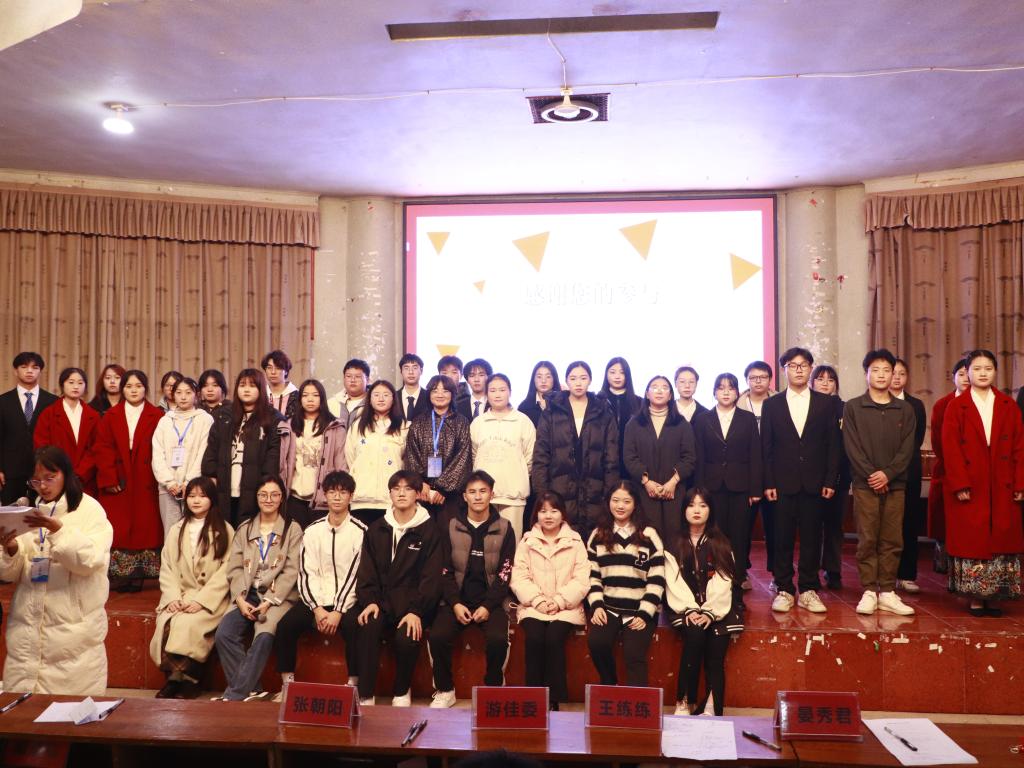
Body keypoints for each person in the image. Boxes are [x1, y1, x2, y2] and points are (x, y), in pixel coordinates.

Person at [0, 446, 113, 695]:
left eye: (50, 478)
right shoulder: (27, 511)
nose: (43, 486)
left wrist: (58, 531)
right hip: (27, 628)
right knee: (25, 713)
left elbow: (90, 561)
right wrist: (10, 549)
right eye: (36, 480)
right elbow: (10, 574)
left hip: (72, 634)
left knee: (68, 712)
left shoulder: (89, 510)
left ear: (66, 474)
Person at [942, 349, 1024, 617]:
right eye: (977, 369)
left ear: (995, 371)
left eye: (988, 368)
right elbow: (951, 448)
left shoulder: (1008, 405)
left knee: (1001, 537)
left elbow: (1019, 447)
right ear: (967, 372)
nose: (983, 373)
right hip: (971, 482)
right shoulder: (957, 406)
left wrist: (1020, 484)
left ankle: (996, 596)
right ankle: (976, 597)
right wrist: (959, 484)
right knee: (973, 539)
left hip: (1002, 482)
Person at [762, 347, 841, 614]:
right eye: (792, 365)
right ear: (784, 370)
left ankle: (808, 589)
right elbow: (766, 447)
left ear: (810, 369)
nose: (798, 370)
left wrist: (830, 480)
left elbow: (833, 445)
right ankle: (784, 588)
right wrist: (768, 482)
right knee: (781, 537)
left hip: (815, 483)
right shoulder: (772, 404)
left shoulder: (826, 403)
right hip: (781, 484)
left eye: (803, 365)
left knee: (811, 538)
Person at [354, 470, 443, 707]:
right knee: (367, 625)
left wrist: (416, 611)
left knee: (407, 636)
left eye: (408, 488)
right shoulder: (377, 528)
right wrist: (370, 601)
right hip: (381, 601)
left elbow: (431, 578)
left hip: (413, 605)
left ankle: (402, 691)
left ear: (418, 494)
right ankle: (365, 694)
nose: (401, 493)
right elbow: (366, 570)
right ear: (390, 494)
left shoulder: (429, 530)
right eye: (396, 488)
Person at [428, 470, 516, 708]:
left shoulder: (505, 527)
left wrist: (488, 606)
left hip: (491, 602)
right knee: (437, 636)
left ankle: (493, 688)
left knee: (498, 639)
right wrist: (455, 603)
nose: (478, 497)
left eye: (483, 491)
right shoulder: (450, 526)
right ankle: (445, 690)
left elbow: (505, 573)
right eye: (472, 492)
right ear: (464, 496)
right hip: (455, 600)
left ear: (492, 494)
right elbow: (443, 570)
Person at [274, 470, 364, 701]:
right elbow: (306, 572)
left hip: (347, 602)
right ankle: (287, 684)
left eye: (343, 492)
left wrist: (338, 611)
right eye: (332, 492)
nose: (337, 497)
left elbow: (356, 575)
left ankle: (353, 685)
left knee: (355, 627)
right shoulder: (312, 531)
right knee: (285, 626)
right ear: (325, 495)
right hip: (316, 601)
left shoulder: (361, 532)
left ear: (351, 496)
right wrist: (316, 608)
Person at [842, 350, 917, 617]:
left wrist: (888, 474)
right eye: (876, 370)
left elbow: (908, 449)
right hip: (865, 485)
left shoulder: (905, 409)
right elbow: (852, 447)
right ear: (866, 374)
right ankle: (869, 591)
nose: (882, 375)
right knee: (868, 538)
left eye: (887, 370)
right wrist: (873, 475)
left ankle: (887, 591)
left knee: (892, 539)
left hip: (895, 485)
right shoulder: (853, 407)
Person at [214, 476, 302, 701]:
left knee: (263, 635)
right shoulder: (245, 529)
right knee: (224, 634)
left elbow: (291, 571)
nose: (268, 499)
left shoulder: (292, 529)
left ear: (282, 498)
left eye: (274, 495)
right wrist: (240, 598)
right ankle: (253, 690)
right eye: (263, 495)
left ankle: (234, 695)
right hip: (247, 594)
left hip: (276, 597)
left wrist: (269, 601)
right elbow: (234, 568)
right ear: (256, 497)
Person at [149, 476, 234, 699]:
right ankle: (173, 679)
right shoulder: (176, 530)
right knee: (168, 622)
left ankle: (190, 680)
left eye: (202, 496)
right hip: (181, 595)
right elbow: (167, 567)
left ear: (212, 499)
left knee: (189, 624)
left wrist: (201, 601)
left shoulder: (225, 530)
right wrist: (172, 597)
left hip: (209, 598)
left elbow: (226, 571)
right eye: (192, 496)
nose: (196, 500)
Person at [510, 491, 589, 710]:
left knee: (554, 638)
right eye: (543, 511)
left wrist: (559, 601)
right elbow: (519, 577)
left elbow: (582, 579)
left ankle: (554, 699)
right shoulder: (527, 541)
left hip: (566, 607)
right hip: (533, 606)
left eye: (554, 511)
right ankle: (533, 697)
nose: (548, 516)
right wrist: (537, 601)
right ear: (536, 514)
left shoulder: (575, 541)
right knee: (535, 637)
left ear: (563, 514)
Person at [664, 488, 737, 716]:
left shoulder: (721, 543)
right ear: (683, 510)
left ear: (710, 510)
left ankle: (711, 707)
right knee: (694, 635)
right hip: (684, 606)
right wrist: (691, 609)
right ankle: (684, 701)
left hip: (718, 607)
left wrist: (709, 612)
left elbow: (723, 581)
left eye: (703, 505)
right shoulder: (673, 543)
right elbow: (673, 581)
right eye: (691, 505)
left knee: (716, 647)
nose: (697, 510)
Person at [586, 481, 665, 687]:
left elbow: (657, 580)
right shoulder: (597, 535)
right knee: (597, 643)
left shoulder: (648, 535)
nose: (620, 506)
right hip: (609, 608)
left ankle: (637, 702)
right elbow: (593, 576)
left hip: (639, 609)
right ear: (608, 502)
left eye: (626, 501)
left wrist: (645, 613)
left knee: (634, 653)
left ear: (635, 504)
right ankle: (609, 686)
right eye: (615, 500)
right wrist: (597, 606)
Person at [93, 370, 164, 590]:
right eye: (129, 386)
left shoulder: (157, 415)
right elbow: (102, 448)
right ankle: (120, 575)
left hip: (146, 478)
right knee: (119, 526)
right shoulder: (110, 415)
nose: (134, 390)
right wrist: (109, 477)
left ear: (146, 389)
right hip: (119, 478)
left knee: (145, 526)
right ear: (122, 389)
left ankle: (140, 575)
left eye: (138, 386)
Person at [532, 361, 619, 540]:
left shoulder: (602, 411)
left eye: (583, 378)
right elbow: (541, 456)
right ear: (566, 381)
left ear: (590, 380)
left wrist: (609, 494)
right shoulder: (552, 411)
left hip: (595, 491)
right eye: (573, 378)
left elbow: (611, 458)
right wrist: (543, 495)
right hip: (559, 491)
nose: (578, 383)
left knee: (594, 543)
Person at [692, 373, 761, 596]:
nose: (725, 392)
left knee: (739, 535)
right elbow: (699, 456)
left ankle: (737, 580)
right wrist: (699, 490)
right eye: (721, 388)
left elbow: (755, 454)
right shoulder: (703, 419)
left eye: (730, 388)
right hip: (711, 487)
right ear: (714, 392)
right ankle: (714, 580)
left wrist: (755, 488)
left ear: (737, 393)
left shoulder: (747, 419)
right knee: (714, 534)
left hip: (741, 486)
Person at [202, 369, 282, 526]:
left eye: (252, 385)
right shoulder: (223, 415)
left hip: (255, 492)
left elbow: (273, 456)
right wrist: (211, 476)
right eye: (242, 385)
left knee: (249, 533)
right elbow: (212, 450)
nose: (246, 389)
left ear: (261, 389)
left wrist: (265, 487)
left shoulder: (273, 418)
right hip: (224, 490)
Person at [623, 374, 696, 545]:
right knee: (646, 537)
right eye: (654, 387)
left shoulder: (681, 424)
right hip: (644, 490)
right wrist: (646, 482)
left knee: (674, 538)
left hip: (674, 491)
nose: (659, 391)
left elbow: (690, 458)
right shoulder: (634, 424)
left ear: (670, 395)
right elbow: (629, 457)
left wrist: (673, 482)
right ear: (647, 394)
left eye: (664, 388)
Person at [471, 373, 536, 541]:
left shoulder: (523, 421)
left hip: (513, 496)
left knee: (511, 544)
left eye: (502, 390)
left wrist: (517, 475)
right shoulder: (478, 423)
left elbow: (530, 457)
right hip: (483, 497)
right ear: (486, 394)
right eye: (492, 390)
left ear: (510, 392)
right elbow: (473, 455)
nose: (497, 394)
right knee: (484, 545)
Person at [278, 379, 348, 529]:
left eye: (315, 395)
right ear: (300, 399)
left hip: (323, 499)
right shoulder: (288, 425)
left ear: (322, 398)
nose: (310, 399)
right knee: (296, 539)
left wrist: (338, 494)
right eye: (305, 395)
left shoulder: (335, 426)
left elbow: (340, 464)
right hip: (294, 497)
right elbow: (282, 462)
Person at [405, 375, 473, 524]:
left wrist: (442, 489)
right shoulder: (418, 422)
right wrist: (421, 484)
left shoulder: (461, 422)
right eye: (435, 390)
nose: (440, 394)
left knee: (449, 534)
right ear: (429, 394)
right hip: (422, 493)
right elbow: (411, 455)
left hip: (450, 496)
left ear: (452, 394)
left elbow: (463, 459)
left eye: (445, 391)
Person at [151, 377, 214, 535]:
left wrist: (189, 482)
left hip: (195, 487)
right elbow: (157, 453)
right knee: (171, 532)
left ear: (196, 395)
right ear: (173, 395)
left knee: (195, 531)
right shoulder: (165, 421)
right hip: (168, 487)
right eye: (179, 393)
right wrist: (169, 482)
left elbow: (203, 452)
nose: (183, 397)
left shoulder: (205, 419)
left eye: (188, 392)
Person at [346, 379, 409, 527]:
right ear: (369, 399)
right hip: (361, 499)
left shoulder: (404, 426)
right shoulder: (358, 425)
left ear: (393, 399)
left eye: (386, 395)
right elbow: (350, 458)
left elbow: (406, 461)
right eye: (376, 395)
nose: (381, 399)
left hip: (391, 500)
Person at [927, 359, 970, 573]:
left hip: (976, 471)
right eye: (961, 374)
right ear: (953, 377)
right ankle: (944, 558)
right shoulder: (942, 405)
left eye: (968, 373)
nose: (966, 378)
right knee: (944, 519)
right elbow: (937, 441)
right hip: (947, 468)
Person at [810, 364, 850, 590]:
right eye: (820, 378)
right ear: (812, 382)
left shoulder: (845, 409)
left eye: (831, 379)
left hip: (840, 478)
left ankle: (833, 570)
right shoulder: (806, 406)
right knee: (812, 527)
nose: (825, 383)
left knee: (835, 526)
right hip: (811, 478)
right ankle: (811, 571)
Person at [33, 366, 101, 496]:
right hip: (55, 476)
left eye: (80, 383)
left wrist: (80, 474)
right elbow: (41, 446)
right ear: (62, 385)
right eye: (71, 382)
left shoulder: (93, 415)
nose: (76, 386)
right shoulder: (49, 413)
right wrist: (58, 472)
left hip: (85, 479)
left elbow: (96, 448)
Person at [0, 352, 58, 503]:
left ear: (40, 371)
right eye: (24, 367)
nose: (29, 371)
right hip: (10, 473)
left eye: (35, 367)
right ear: (15, 370)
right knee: (10, 514)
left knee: (43, 514)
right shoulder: (3, 401)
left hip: (44, 471)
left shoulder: (53, 402)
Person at [890, 358, 927, 593]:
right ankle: (884, 576)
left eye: (901, 373)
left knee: (909, 523)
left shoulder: (916, 405)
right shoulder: (873, 402)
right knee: (883, 528)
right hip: (880, 475)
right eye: (892, 373)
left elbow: (917, 439)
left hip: (909, 473)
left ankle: (906, 575)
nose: (896, 377)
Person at [738, 360, 776, 577]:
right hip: (746, 474)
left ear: (770, 379)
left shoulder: (781, 402)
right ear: (746, 380)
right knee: (743, 526)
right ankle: (741, 571)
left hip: (774, 475)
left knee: (775, 528)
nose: (758, 381)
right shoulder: (737, 403)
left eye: (763, 377)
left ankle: (776, 573)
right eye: (753, 377)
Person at [600, 357, 643, 476]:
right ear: (606, 375)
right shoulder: (597, 401)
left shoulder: (639, 403)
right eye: (612, 372)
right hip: (603, 462)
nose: (617, 376)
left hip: (632, 461)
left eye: (622, 372)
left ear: (627, 375)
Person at [517, 361, 561, 427]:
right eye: (539, 377)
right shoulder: (524, 408)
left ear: (554, 379)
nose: (543, 381)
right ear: (533, 379)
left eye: (548, 376)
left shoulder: (563, 404)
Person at [328, 358, 370, 425]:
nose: (352, 380)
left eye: (357, 376)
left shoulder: (373, 404)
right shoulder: (331, 403)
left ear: (367, 380)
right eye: (348, 376)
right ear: (344, 378)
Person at [263, 350, 299, 418]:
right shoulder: (261, 394)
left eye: (278, 368)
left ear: (286, 371)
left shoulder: (297, 396)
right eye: (269, 368)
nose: (273, 372)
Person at [399, 353, 430, 422]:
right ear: (401, 371)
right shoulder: (393, 397)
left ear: (421, 371)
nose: (410, 372)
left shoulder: (430, 397)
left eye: (415, 368)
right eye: (406, 368)